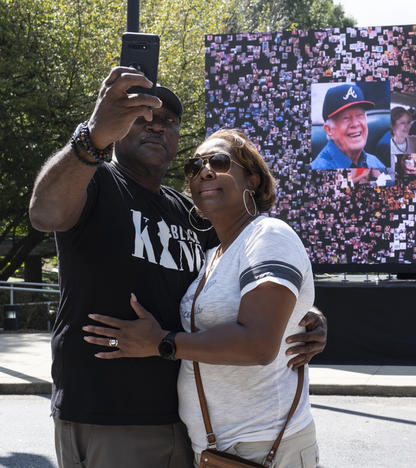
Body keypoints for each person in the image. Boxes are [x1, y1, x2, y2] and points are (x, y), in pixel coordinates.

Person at [28, 67, 327, 468]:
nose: (156, 126)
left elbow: (245, 288)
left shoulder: (195, 219)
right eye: (141, 117)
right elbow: (44, 212)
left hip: (175, 424)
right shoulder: (92, 182)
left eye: (169, 121)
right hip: (98, 412)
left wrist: (303, 316)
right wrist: (93, 134)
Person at [84, 128, 319, 467]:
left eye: (220, 161)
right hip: (216, 451)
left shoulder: (269, 234)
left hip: (264, 448)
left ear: (252, 179)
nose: (205, 171)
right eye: (194, 166)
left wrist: (163, 343)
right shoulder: (213, 255)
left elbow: (258, 344)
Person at [310, 83, 386, 169]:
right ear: (329, 130)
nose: (355, 124)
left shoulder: (374, 162)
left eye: (360, 115)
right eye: (346, 118)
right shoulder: (319, 169)